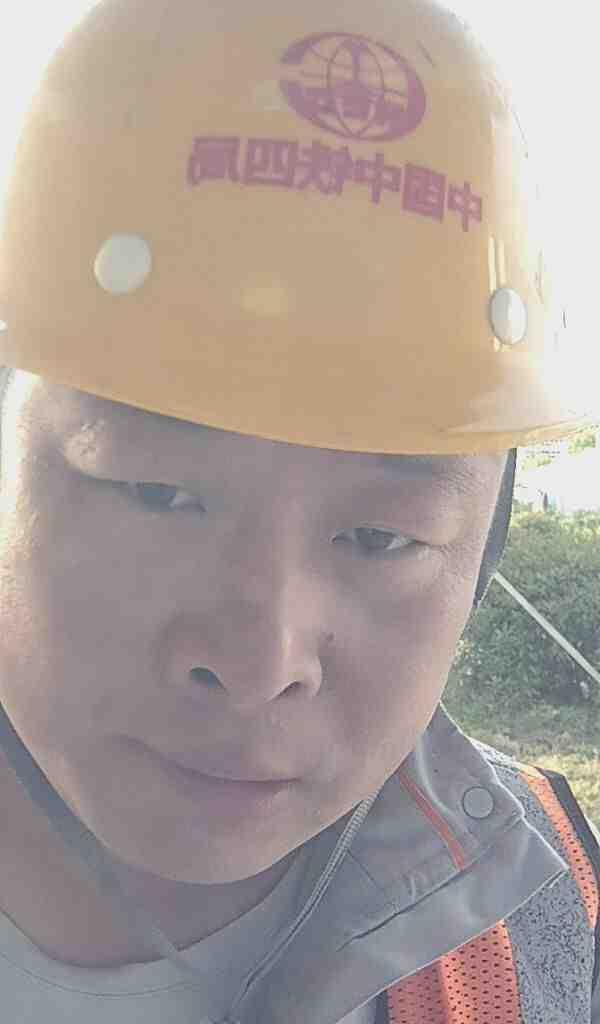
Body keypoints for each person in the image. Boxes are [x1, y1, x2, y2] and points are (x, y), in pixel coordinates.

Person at [0, 1, 597, 1021]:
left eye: (381, 537)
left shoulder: (553, 902)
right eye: (158, 492)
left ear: (481, 552)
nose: (259, 659)